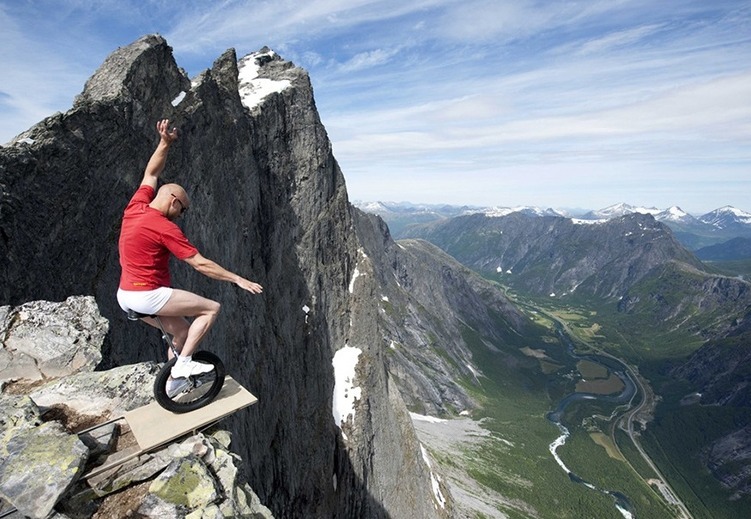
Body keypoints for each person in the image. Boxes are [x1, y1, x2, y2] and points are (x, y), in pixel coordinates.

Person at [117, 119, 263, 381]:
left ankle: (172, 384)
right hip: (147, 295)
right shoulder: (165, 228)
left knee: (182, 332)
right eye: (182, 209)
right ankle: (184, 363)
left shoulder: (135, 207)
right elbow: (200, 263)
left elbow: (151, 173)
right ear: (174, 202)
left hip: (124, 295)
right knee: (211, 309)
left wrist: (164, 143)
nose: (181, 215)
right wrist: (237, 278)